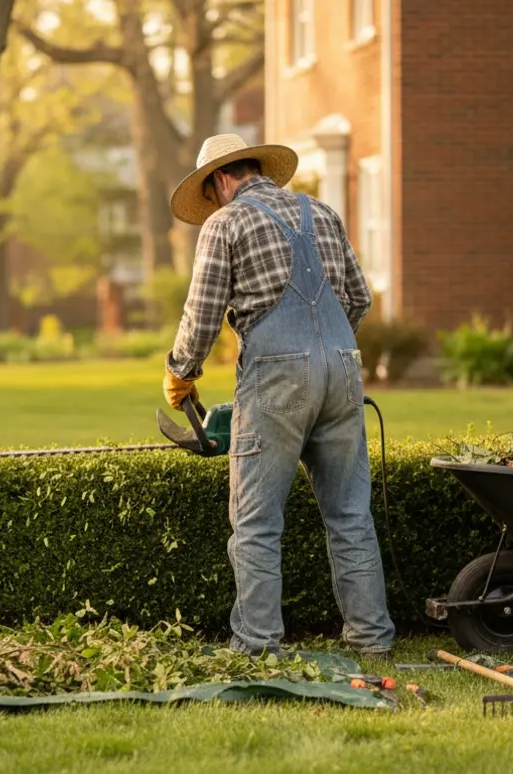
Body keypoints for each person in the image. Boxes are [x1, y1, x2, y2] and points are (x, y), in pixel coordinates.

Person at [162, 133, 395, 659]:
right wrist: (326, 349)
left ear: (220, 180)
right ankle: (372, 641)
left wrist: (181, 371)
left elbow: (201, 315)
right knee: (350, 515)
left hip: (275, 379)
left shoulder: (226, 223)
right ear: (255, 168)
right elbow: (359, 297)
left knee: (257, 522)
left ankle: (257, 646)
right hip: (342, 369)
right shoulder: (322, 212)